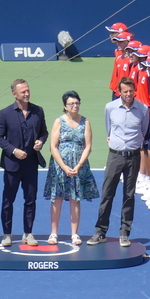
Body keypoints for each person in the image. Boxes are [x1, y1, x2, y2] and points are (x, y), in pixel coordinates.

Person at [88, 76, 149, 247]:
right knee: (107, 193)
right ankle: (100, 231)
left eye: (131, 91)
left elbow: (143, 131)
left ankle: (124, 233)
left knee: (129, 196)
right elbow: (109, 128)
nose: (128, 94)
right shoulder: (110, 107)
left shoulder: (143, 109)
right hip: (114, 156)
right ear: (119, 92)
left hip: (133, 157)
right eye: (125, 91)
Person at [0, 79, 48, 246]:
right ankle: (7, 234)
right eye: (23, 92)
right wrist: (13, 150)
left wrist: (40, 141)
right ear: (14, 94)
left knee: (30, 199)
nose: (27, 94)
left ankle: (28, 233)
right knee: (8, 200)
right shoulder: (4, 114)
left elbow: (44, 132)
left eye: (28, 90)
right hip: (12, 164)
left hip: (31, 163)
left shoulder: (38, 111)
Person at [43, 91, 99, 245]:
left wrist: (78, 166)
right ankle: (54, 233)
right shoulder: (59, 122)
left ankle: (75, 234)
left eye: (77, 103)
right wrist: (64, 167)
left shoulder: (85, 122)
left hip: (78, 166)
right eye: (71, 104)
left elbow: (88, 146)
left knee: (75, 198)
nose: (75, 106)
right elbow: (53, 147)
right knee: (57, 198)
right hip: (60, 166)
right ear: (65, 106)